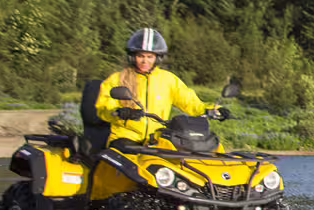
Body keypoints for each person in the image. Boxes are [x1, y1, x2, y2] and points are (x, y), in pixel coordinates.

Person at [96, 28, 228, 148]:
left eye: (150, 57)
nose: (145, 61)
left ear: (157, 58)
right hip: (126, 137)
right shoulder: (117, 79)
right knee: (130, 163)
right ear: (132, 57)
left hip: (157, 137)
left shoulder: (168, 79)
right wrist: (119, 112)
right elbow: (103, 108)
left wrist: (214, 110)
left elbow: (191, 103)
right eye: (140, 56)